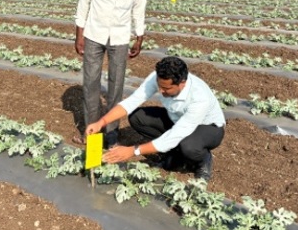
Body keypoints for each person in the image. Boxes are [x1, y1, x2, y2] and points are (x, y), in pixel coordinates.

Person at [85, 56, 226, 181]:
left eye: (166, 89)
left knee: (188, 146)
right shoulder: (159, 78)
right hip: (177, 119)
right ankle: (173, 152)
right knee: (137, 117)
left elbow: (177, 134)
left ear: (182, 83)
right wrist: (101, 122)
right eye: (159, 86)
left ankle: (203, 160)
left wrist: (133, 151)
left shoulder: (199, 98)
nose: (160, 91)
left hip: (208, 128)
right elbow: (132, 101)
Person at [74, 0, 147, 148]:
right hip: (94, 35)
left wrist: (139, 36)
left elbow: (139, 6)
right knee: (91, 84)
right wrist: (79, 35)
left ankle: (113, 135)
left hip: (120, 36)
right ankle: (92, 136)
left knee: (116, 87)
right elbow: (84, 1)